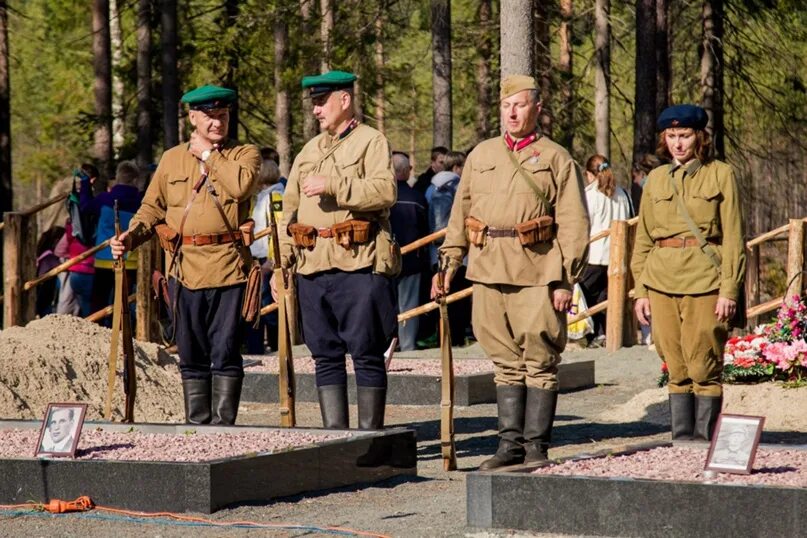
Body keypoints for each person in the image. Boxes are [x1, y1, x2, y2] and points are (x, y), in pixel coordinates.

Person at [433, 75, 589, 469]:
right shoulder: (481, 155)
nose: (512, 112)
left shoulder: (556, 157)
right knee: (503, 360)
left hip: (537, 270)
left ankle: (536, 447)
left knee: (539, 359)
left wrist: (565, 278)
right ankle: (509, 447)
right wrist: (450, 261)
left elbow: (573, 223)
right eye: (506, 106)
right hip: (486, 268)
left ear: (537, 108)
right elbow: (460, 215)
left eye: (520, 105)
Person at [110, 84, 261, 425]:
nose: (217, 123)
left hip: (228, 268)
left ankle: (224, 428)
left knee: (225, 351)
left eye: (222, 115)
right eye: (209, 116)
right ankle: (197, 426)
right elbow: (152, 207)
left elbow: (239, 187)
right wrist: (129, 237)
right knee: (190, 354)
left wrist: (209, 156)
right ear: (193, 117)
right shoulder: (172, 158)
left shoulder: (243, 155)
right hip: (183, 269)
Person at [274, 70, 399, 430]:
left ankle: (370, 436)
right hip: (312, 265)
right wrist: (282, 263)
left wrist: (333, 184)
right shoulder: (309, 150)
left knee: (366, 353)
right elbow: (289, 208)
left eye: (321, 101)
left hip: (357, 263)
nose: (315, 110)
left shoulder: (371, 141)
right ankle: (336, 438)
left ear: (344, 100)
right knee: (324, 355)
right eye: (313, 102)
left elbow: (384, 192)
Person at [631, 104, 745, 442]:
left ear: (699, 137)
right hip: (661, 279)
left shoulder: (720, 174)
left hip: (705, 279)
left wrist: (730, 290)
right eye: (671, 136)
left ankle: (705, 439)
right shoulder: (656, 179)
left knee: (703, 363)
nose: (678, 143)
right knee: (674, 362)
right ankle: (681, 439)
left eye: (685, 135)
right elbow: (644, 238)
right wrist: (641, 290)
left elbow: (735, 236)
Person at [579, 154, 633, 346]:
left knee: (589, 297)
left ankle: (596, 334)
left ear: (589, 174)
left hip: (594, 255)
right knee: (607, 296)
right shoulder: (623, 194)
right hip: (617, 256)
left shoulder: (589, 195)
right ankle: (606, 334)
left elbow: (583, 224)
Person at [80, 160, 144, 320]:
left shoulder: (105, 199)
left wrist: (85, 184)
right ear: (135, 179)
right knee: (124, 302)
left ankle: (95, 334)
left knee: (99, 302)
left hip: (103, 258)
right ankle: (124, 335)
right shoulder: (142, 201)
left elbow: (85, 207)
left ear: (117, 177)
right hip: (130, 260)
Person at [422, 150, 472, 347]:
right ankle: (452, 339)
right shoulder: (447, 187)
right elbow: (440, 222)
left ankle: (452, 337)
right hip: (447, 253)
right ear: (457, 167)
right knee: (452, 299)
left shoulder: (433, 186)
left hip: (440, 254)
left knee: (452, 299)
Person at [389, 152, 429, 351]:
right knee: (409, 306)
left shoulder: (381, 197)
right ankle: (408, 345)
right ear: (405, 171)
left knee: (385, 304)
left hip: (385, 259)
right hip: (413, 259)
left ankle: (387, 345)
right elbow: (426, 228)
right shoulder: (417, 198)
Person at [246, 156, 284, 353]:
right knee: (257, 302)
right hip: (257, 257)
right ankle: (256, 346)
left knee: (267, 304)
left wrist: (272, 260)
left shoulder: (275, 197)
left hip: (267, 260)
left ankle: (276, 347)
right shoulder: (261, 196)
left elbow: (277, 228)